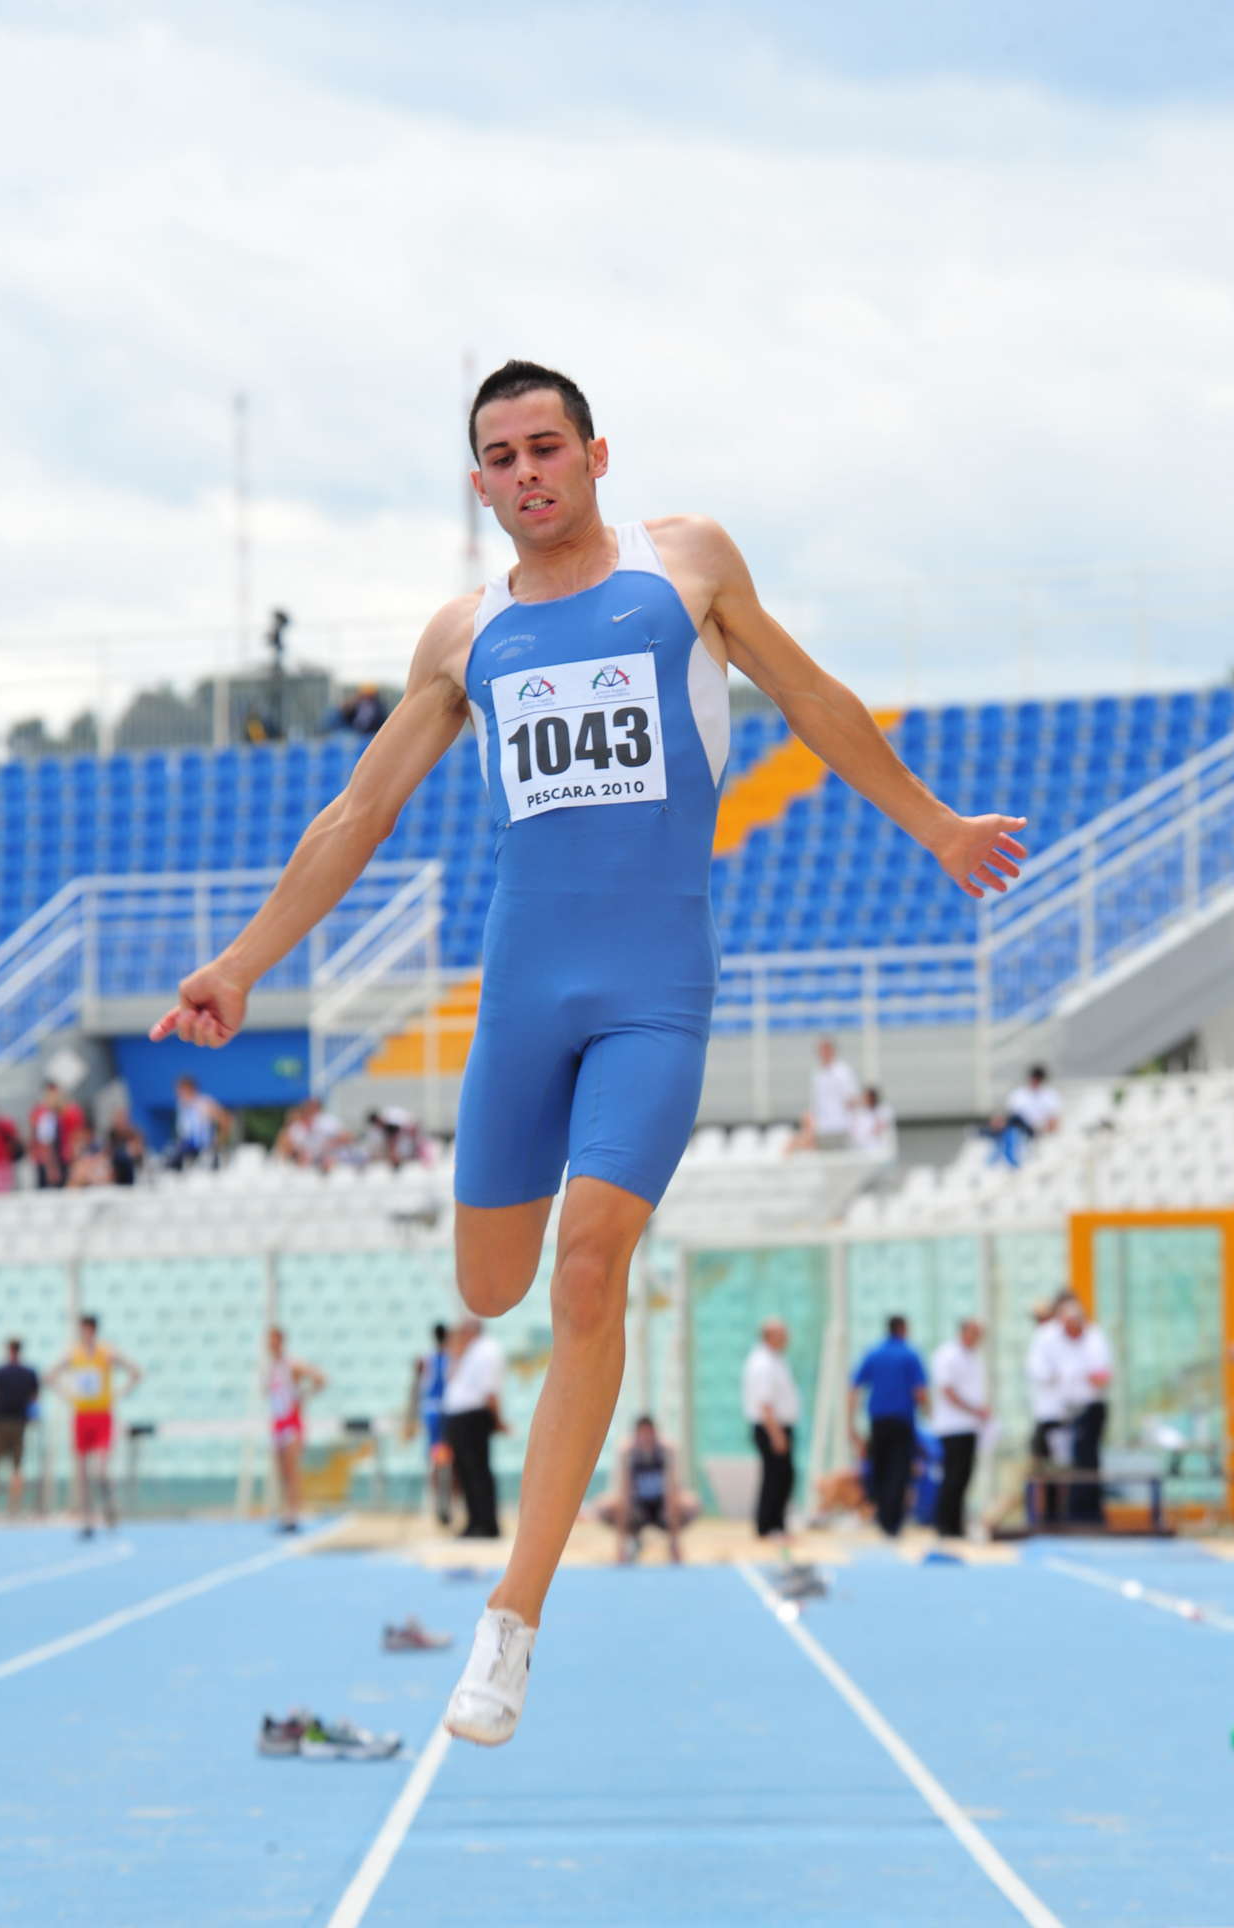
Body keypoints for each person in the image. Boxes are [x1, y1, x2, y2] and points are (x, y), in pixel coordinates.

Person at [147, 357, 1026, 1746]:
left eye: (547, 446)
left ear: (596, 455)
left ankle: (513, 1618)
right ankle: (518, 1544)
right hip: (522, 999)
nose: (528, 472)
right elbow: (357, 814)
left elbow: (813, 698)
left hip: (652, 993)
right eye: (501, 457)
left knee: (591, 1263)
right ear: (479, 484)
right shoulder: (467, 636)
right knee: (489, 1286)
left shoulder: (687, 569)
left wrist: (936, 826)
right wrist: (242, 963)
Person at [47, 1315, 142, 1538]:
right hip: (82, 1415)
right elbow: (50, 1376)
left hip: (102, 1415)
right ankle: (87, 1520)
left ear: (94, 1331)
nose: (85, 1334)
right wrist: (67, 1395)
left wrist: (119, 1393)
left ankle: (109, 1505)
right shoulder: (74, 1354)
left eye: (88, 1330)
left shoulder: (106, 1352)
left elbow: (135, 1372)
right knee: (82, 1473)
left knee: (100, 1470)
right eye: (82, 1330)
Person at [848, 1312, 928, 1537]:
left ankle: (883, 1517)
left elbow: (854, 1386)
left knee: (880, 1468)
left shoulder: (873, 1353)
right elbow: (920, 1392)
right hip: (902, 1421)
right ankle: (893, 1521)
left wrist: (850, 1423)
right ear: (903, 1329)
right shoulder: (910, 1354)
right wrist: (928, 1413)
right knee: (900, 1470)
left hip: (879, 1422)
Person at [596, 1414, 698, 1562]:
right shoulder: (629, 1453)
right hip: (638, 1509)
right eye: (642, 1434)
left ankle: (671, 1544)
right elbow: (624, 1494)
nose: (646, 1438)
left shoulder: (665, 1452)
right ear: (636, 1435)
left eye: (649, 1434)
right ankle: (633, 1539)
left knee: (691, 1504)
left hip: (662, 1509)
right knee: (605, 1507)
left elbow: (673, 1491)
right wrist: (620, 1546)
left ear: (655, 1433)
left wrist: (675, 1542)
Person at [442, 1316, 506, 1540]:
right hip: (461, 1416)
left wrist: (497, 1419)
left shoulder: (488, 1350)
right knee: (466, 1473)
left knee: (477, 1472)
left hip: (473, 1416)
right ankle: (475, 1521)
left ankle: (486, 1524)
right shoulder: (469, 1351)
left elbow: (490, 1390)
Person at [928, 1319, 990, 1538]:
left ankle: (956, 1525)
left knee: (964, 1477)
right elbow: (947, 1390)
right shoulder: (947, 1355)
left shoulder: (974, 1357)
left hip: (970, 1426)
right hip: (951, 1426)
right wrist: (973, 1409)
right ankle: (943, 1524)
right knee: (952, 1476)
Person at [1054, 1296, 1113, 1524]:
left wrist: (1083, 1377)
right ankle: (1079, 1512)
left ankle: (1088, 1513)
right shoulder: (1067, 1344)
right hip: (1073, 1410)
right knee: (1077, 1461)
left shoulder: (1094, 1341)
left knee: (1087, 1462)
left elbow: (1101, 1377)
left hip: (1090, 1408)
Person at [263, 1325, 326, 1535]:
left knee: (292, 1470)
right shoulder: (272, 1367)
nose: (270, 1344)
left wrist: (304, 1396)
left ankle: (294, 1514)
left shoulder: (291, 1364)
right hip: (278, 1423)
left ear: (280, 1341)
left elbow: (320, 1378)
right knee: (282, 1472)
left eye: (273, 1340)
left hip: (291, 1422)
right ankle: (286, 1512)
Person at [742, 1318, 801, 1539]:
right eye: (781, 1334)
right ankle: (768, 1525)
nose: (786, 1338)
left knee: (784, 1476)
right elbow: (764, 1403)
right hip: (771, 1427)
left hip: (778, 1426)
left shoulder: (776, 1359)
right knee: (775, 1477)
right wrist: (776, 1434)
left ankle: (777, 1523)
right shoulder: (762, 1363)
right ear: (769, 1336)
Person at [0, 1338, 40, 1517]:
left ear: (8, 1350)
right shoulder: (29, 1373)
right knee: (17, 1468)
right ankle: (14, 1510)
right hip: (19, 1424)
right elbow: (34, 1397)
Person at [1025, 1294, 1072, 1526]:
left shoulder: (1049, 1336)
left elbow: (1045, 1373)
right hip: (1053, 1413)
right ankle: (1049, 1516)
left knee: (1051, 1470)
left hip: (1054, 1414)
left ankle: (1049, 1517)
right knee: (1051, 1469)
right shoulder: (1050, 1337)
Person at [409, 1322, 455, 1525]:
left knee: (435, 1459)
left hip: (431, 1412)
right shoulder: (452, 1359)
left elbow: (416, 1389)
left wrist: (412, 1416)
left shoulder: (425, 1359)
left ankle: (435, 1502)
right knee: (445, 1459)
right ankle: (443, 1504)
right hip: (447, 1411)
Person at [805, 1039, 861, 1151]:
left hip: (841, 1126)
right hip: (822, 1128)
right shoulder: (817, 1074)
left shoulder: (843, 1072)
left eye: (826, 1050)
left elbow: (853, 1099)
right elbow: (815, 1102)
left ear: (832, 1051)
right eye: (821, 1051)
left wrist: (855, 1123)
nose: (823, 1053)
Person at [169, 1075, 231, 1170]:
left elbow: (225, 1120)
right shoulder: (181, 1105)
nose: (178, 1093)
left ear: (189, 1089)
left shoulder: (203, 1103)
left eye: (180, 1090)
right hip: (186, 1148)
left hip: (203, 1150)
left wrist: (218, 1142)